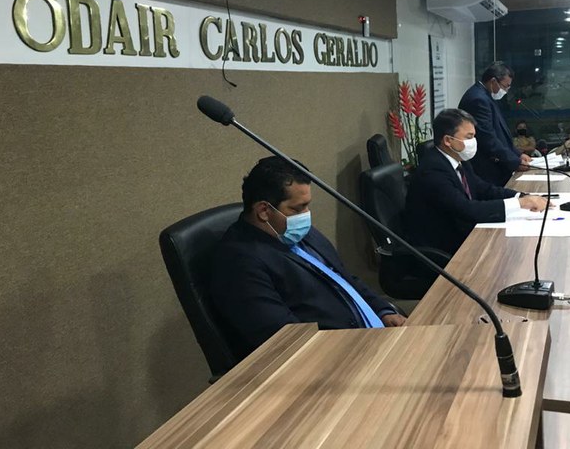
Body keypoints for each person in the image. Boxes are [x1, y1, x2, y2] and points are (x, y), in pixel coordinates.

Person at [210, 156, 405, 358]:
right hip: (340, 355)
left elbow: (345, 278)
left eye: (307, 205)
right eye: (298, 208)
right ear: (264, 211)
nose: (306, 215)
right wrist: (360, 347)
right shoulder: (239, 262)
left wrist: (383, 311)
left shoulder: (293, 230)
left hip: (374, 334)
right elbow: (286, 339)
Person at [404, 109, 549, 255]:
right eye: (469, 137)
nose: (473, 142)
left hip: (465, 234)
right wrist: (519, 204)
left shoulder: (458, 159)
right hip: (445, 247)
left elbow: (483, 189)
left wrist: (521, 196)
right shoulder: (433, 170)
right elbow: (466, 209)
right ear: (448, 140)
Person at [458, 63, 531, 186]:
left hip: (495, 165)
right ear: (493, 81)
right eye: (505, 86)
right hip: (486, 168)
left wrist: (518, 155)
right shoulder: (478, 99)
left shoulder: (485, 95)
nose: (506, 91)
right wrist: (514, 162)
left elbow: (500, 133)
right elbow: (488, 139)